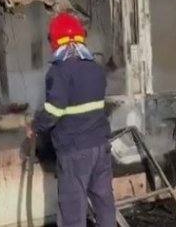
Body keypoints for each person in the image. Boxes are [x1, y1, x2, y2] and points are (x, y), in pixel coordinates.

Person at [27, 12, 116, 227]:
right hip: (100, 147)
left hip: (75, 152)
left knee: (72, 212)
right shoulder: (95, 69)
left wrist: (34, 126)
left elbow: (53, 112)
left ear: (55, 40)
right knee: (104, 204)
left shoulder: (58, 72)